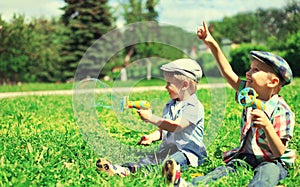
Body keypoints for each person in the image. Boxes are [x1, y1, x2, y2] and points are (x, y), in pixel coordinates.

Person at [166, 21, 296, 187]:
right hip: (246, 156)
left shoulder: (282, 111)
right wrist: (211, 42)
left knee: (267, 174)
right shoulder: (247, 94)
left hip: (272, 161)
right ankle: (190, 184)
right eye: (250, 68)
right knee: (223, 170)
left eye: (255, 70)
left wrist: (267, 126)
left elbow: (279, 152)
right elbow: (228, 72)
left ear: (273, 82)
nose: (248, 73)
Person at [96, 58, 207, 184]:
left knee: (169, 163)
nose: (166, 87)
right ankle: (122, 168)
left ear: (185, 85)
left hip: (189, 154)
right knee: (148, 159)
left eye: (169, 83)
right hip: (168, 150)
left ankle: (157, 173)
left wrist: (150, 118)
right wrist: (152, 137)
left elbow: (176, 126)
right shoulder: (170, 105)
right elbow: (164, 130)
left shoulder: (194, 106)